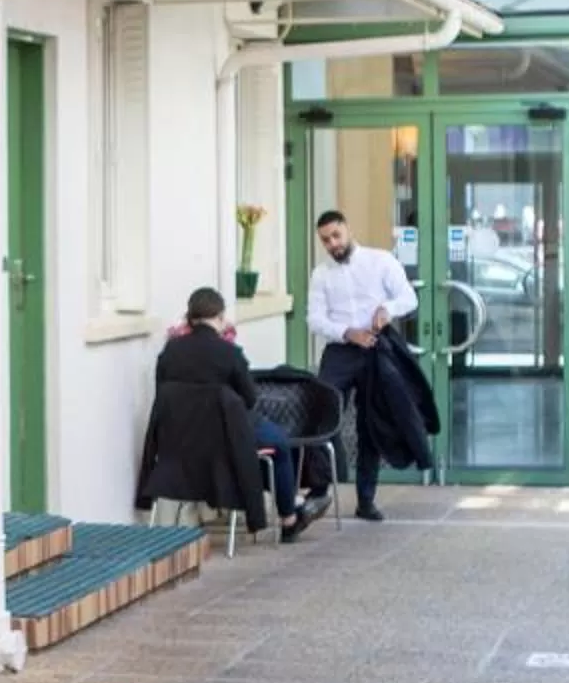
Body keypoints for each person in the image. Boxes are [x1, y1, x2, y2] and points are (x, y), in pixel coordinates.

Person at [148, 287, 316, 540]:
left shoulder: (169, 352)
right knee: (278, 443)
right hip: (226, 439)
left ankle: (289, 502)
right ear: (220, 316)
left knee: (260, 443)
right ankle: (289, 517)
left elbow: (162, 393)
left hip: (179, 442)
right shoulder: (229, 353)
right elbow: (249, 398)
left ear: (189, 317)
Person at [305, 208, 422, 521]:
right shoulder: (321, 275)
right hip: (340, 350)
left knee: (370, 424)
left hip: (376, 347)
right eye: (326, 240)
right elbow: (314, 319)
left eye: (336, 236)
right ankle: (319, 491)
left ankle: (365, 500)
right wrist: (347, 333)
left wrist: (387, 308)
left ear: (348, 230)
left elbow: (409, 298)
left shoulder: (380, 261)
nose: (332, 244)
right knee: (323, 414)